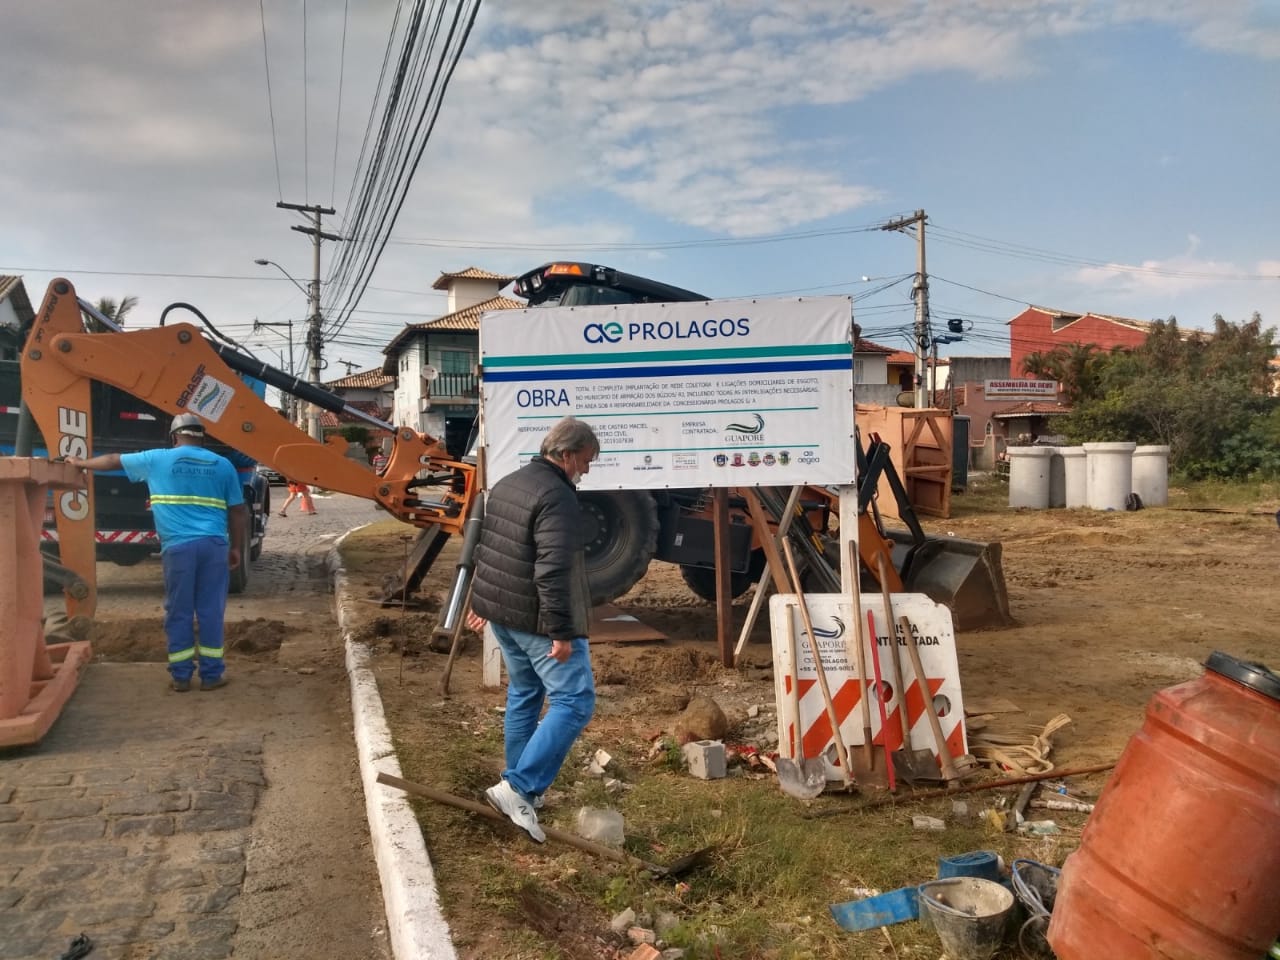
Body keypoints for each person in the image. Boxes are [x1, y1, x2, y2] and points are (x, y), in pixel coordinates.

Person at [466, 417, 599, 842]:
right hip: (538, 621)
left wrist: (482, 604)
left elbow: (491, 548)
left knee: (525, 692)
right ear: (565, 454)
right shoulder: (557, 497)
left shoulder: (510, 482)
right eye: (585, 460)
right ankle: (519, 788)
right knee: (575, 701)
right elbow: (552, 570)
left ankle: (522, 788)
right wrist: (561, 632)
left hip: (505, 616)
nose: (588, 469)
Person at [65, 412, 246, 692]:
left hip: (178, 547)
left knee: (179, 610)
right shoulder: (223, 465)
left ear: (175, 437)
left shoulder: (157, 459)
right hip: (214, 546)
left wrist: (79, 463)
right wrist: (235, 547)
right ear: (203, 436)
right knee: (211, 610)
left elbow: (113, 460)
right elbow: (238, 510)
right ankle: (212, 675)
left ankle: (182, 677)